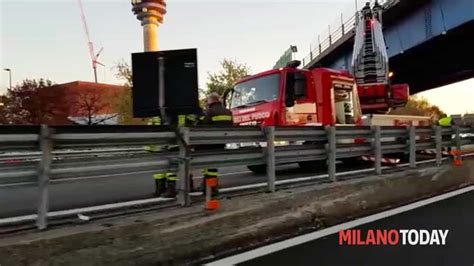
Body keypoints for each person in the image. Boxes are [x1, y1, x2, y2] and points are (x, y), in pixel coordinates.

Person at [146, 113, 201, 198]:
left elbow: (149, 131)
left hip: (165, 144)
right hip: (176, 143)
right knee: (170, 167)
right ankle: (166, 189)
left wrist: (149, 148)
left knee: (166, 167)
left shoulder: (157, 113)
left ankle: (163, 189)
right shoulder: (183, 113)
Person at [199, 92, 233, 196]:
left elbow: (204, 126)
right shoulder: (228, 112)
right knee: (213, 165)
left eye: (207, 101)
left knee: (208, 164)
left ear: (211, 100)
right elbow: (231, 126)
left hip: (209, 142)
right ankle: (210, 186)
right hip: (221, 142)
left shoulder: (210, 111)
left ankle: (210, 188)